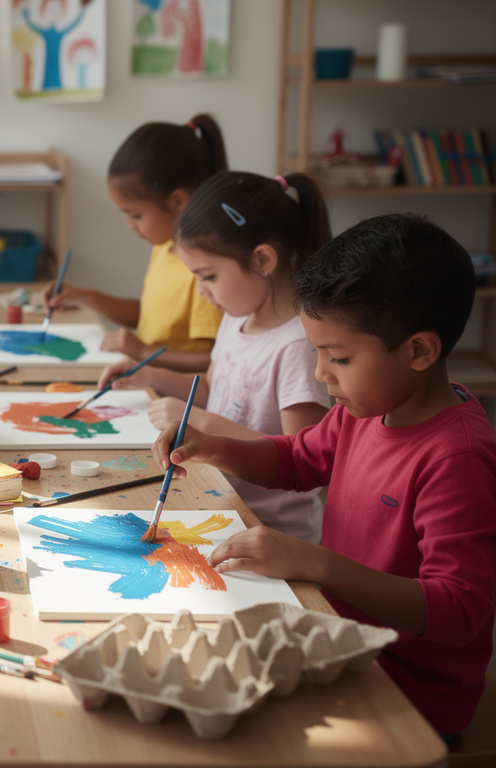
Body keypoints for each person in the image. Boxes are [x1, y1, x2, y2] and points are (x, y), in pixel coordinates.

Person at [155, 213, 496, 737]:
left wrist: (315, 563)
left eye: (338, 357)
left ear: (420, 351)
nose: (320, 374)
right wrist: (213, 448)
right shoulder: (366, 408)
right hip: (337, 639)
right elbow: (297, 460)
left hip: (406, 690)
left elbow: (459, 608)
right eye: (317, 352)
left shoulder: (456, 457)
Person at [98, 172, 332, 542]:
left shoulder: (298, 345)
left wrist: (204, 423)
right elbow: (213, 387)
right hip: (220, 505)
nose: (202, 292)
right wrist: (154, 376)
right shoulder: (236, 319)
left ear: (262, 260)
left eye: (208, 276)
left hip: (271, 533)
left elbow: (303, 460)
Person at [41, 114, 227, 372]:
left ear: (178, 202)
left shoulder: (204, 270)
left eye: (136, 215)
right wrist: (84, 296)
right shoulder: (165, 247)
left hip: (180, 403)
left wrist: (143, 352)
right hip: (148, 384)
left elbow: (218, 358)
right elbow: (152, 315)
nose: (130, 226)